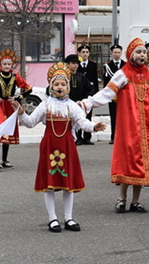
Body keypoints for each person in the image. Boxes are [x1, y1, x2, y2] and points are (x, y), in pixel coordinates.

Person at [78, 38, 149, 214]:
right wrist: (87, 103)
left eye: (144, 52)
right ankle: (122, 199)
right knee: (127, 159)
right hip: (129, 125)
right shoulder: (123, 73)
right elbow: (106, 93)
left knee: (143, 160)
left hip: (147, 125)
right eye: (138, 52)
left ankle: (136, 201)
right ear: (131, 55)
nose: (142, 55)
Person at [15, 62, 106, 232]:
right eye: (56, 84)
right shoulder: (45, 105)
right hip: (49, 148)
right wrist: (21, 113)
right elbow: (29, 123)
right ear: (51, 87)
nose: (59, 87)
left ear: (68, 87)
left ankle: (69, 218)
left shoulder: (73, 106)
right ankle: (52, 219)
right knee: (49, 183)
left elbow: (83, 123)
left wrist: (94, 127)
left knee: (67, 183)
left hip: (67, 147)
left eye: (63, 84)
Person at [64, 54, 95, 144]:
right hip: (69, 104)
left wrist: (87, 99)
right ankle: (76, 138)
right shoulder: (64, 77)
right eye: (73, 63)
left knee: (83, 119)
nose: (75, 65)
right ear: (68, 64)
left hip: (81, 103)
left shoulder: (81, 76)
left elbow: (91, 88)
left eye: (77, 63)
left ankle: (86, 138)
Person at [76, 45, 99, 146]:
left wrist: (95, 94)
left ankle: (87, 138)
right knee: (77, 116)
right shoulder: (76, 65)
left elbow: (95, 80)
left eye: (87, 52)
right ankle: (78, 137)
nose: (85, 54)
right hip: (78, 93)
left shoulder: (93, 65)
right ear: (79, 54)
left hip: (88, 94)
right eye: (83, 52)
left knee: (88, 115)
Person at [103, 44, 125, 144]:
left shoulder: (125, 65)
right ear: (111, 53)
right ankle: (114, 137)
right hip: (112, 94)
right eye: (115, 52)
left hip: (124, 94)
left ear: (121, 53)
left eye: (118, 52)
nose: (117, 54)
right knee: (113, 115)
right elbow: (105, 81)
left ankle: (123, 137)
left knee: (124, 116)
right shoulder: (107, 66)